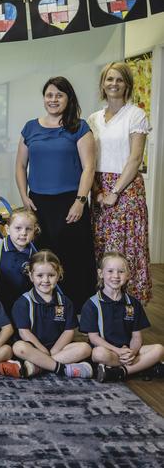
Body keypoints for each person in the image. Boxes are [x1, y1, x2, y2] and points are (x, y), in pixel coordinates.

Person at [15, 76, 96, 309]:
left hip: (71, 201)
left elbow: (89, 167)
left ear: (68, 98)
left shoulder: (79, 127)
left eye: (59, 95)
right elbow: (20, 166)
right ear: (44, 98)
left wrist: (80, 201)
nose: (53, 99)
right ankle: (44, 307)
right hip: (38, 203)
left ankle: (78, 308)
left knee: (74, 256)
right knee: (43, 256)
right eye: (49, 95)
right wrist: (24, 196)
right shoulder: (30, 127)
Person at [88, 62, 152, 303]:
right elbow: (90, 160)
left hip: (125, 188)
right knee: (101, 244)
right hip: (99, 187)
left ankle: (129, 304)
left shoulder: (136, 114)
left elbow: (135, 159)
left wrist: (115, 191)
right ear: (103, 84)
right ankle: (103, 303)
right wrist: (96, 190)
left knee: (126, 246)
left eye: (119, 80)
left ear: (127, 85)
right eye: (109, 79)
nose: (113, 84)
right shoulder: (94, 118)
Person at [80, 252, 164, 382]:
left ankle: (119, 372)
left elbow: (136, 336)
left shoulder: (133, 303)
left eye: (121, 271)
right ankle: (142, 368)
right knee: (98, 354)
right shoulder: (92, 304)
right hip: (107, 350)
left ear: (128, 275)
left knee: (159, 349)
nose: (116, 276)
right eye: (110, 271)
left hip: (128, 351)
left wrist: (133, 352)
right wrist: (118, 351)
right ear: (101, 274)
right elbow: (94, 338)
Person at [11, 251, 93, 379]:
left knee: (85, 348)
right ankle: (64, 368)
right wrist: (42, 351)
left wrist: (54, 350)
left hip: (59, 349)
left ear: (59, 274)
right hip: (34, 348)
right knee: (18, 347)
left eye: (51, 275)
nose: (45, 280)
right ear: (31, 276)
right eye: (40, 275)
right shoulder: (23, 302)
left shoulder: (66, 302)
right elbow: (24, 332)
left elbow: (69, 331)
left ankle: (39, 366)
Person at [0, 208, 39, 317]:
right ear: (7, 229)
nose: (23, 233)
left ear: (34, 231)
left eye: (28, 229)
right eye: (18, 228)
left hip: (22, 307)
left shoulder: (35, 255)